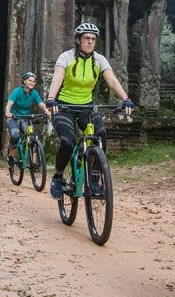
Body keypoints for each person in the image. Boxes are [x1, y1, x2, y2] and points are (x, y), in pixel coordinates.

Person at [44, 22, 135, 199]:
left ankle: (94, 178)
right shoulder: (66, 57)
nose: (90, 42)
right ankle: (58, 177)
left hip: (86, 106)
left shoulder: (99, 60)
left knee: (100, 133)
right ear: (78, 40)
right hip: (64, 107)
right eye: (86, 38)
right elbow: (57, 78)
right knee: (67, 141)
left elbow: (112, 81)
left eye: (93, 39)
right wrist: (51, 98)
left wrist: (126, 99)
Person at [4, 71, 46, 163]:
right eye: (30, 80)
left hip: (25, 118)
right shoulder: (17, 91)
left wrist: (47, 111)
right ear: (24, 81)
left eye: (33, 81)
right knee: (15, 136)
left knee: (32, 138)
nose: (32, 83)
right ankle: (11, 156)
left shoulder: (34, 93)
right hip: (13, 117)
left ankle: (34, 163)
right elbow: (10, 103)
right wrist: (8, 112)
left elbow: (41, 104)